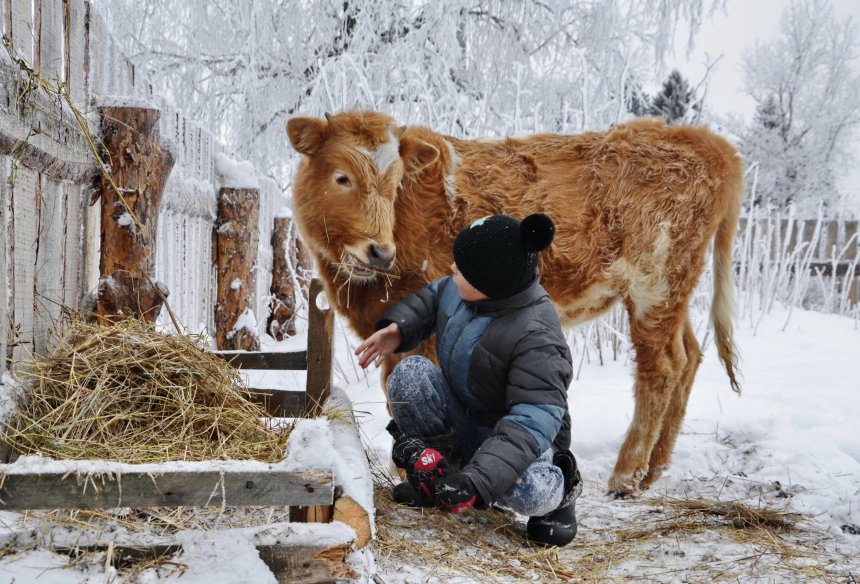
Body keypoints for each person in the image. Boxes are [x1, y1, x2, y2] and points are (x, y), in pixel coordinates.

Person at [355, 213, 582, 546]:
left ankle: (562, 492)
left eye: (461, 269)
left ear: (489, 283)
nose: (451, 270)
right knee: (409, 376)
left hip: (520, 441)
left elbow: (528, 425)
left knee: (529, 492)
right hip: (469, 415)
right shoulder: (466, 290)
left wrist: (477, 482)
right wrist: (399, 329)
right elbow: (434, 298)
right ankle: (439, 482)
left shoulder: (538, 338)